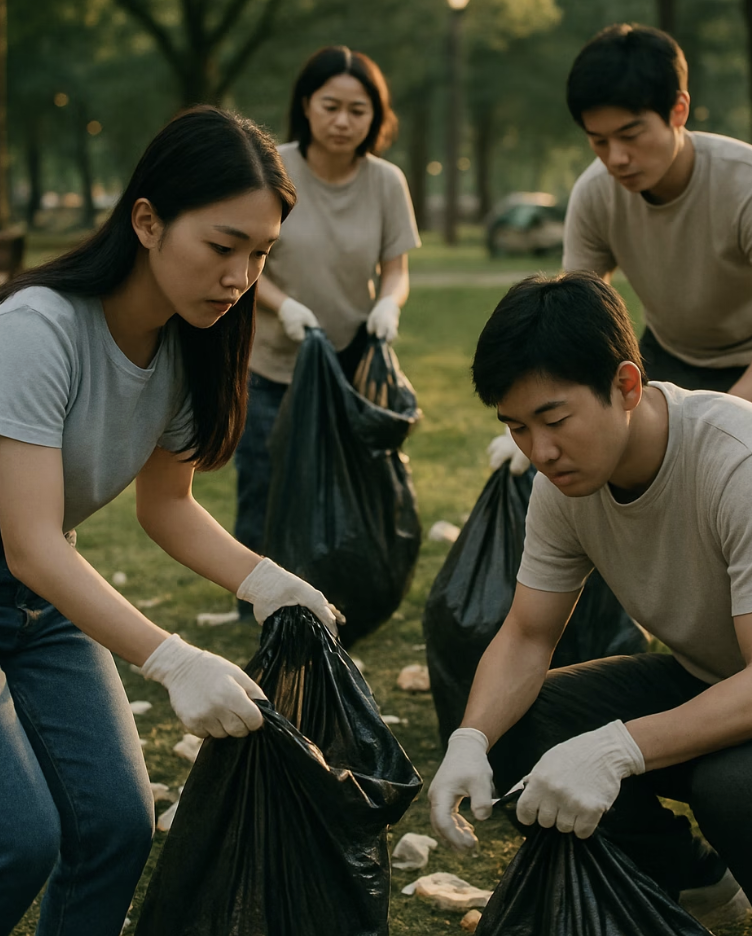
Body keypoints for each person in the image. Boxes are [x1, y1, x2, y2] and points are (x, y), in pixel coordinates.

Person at [0, 105, 342, 936]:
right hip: (34, 569)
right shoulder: (35, 330)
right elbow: (31, 540)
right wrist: (174, 660)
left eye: (260, 255)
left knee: (116, 825)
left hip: (37, 604)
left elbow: (168, 507)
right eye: (223, 247)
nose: (240, 277)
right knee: (20, 841)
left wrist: (268, 583)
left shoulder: (190, 344)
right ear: (147, 222)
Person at [428, 273, 752, 928]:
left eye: (553, 419)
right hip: (712, 679)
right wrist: (470, 738)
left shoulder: (734, 461)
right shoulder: (563, 487)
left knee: (733, 785)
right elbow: (527, 635)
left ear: (626, 385)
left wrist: (616, 749)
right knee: (522, 725)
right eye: (516, 427)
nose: (539, 451)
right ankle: (697, 887)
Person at [234, 45, 421, 567]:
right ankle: (253, 596)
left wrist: (389, 305)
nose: (342, 121)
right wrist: (284, 306)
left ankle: (335, 583)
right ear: (306, 104)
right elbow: (249, 263)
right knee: (265, 481)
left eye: (357, 110)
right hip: (272, 364)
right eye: (330, 105)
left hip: (350, 368)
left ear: (376, 117)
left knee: (348, 481)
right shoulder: (271, 168)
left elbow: (396, 270)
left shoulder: (387, 182)